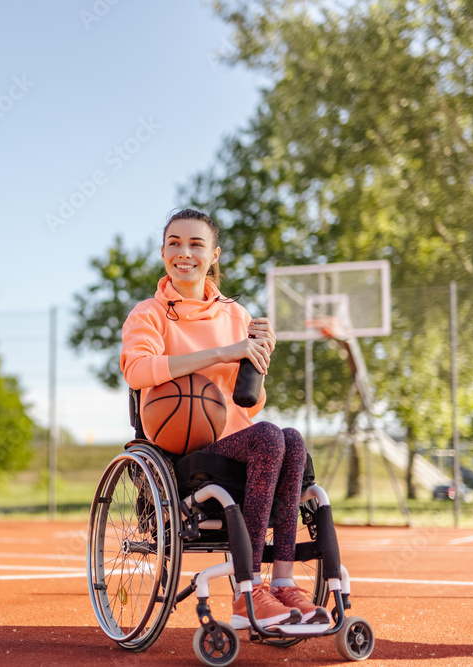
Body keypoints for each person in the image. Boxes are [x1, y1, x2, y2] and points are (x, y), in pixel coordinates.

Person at [120, 208, 328, 630]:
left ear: (213, 255)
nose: (184, 253)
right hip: (182, 451)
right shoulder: (148, 314)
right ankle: (246, 590)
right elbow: (138, 370)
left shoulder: (236, 314)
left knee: (290, 437)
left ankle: (284, 584)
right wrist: (221, 353)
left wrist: (258, 362)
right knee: (271, 436)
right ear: (163, 253)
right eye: (174, 243)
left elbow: (249, 407)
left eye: (196, 244)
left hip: (239, 440)